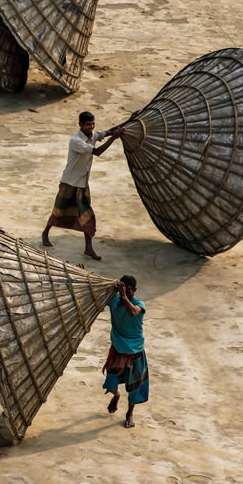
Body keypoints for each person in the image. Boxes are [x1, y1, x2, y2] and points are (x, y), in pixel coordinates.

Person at [41, 111, 123, 260]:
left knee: (87, 215)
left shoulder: (92, 135)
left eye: (92, 124)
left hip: (82, 184)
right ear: (80, 125)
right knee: (59, 210)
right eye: (87, 124)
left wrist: (128, 121)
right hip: (69, 181)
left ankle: (88, 248)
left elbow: (109, 132)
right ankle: (45, 233)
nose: (90, 127)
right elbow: (97, 152)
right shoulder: (76, 141)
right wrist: (115, 138)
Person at [101, 275, 149, 428]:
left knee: (134, 387)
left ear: (134, 291)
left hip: (135, 352)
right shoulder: (114, 300)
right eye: (124, 290)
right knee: (111, 383)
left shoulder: (138, 303)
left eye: (129, 291)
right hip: (117, 349)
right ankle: (116, 396)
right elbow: (96, 296)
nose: (127, 293)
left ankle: (130, 413)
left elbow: (134, 312)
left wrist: (123, 296)